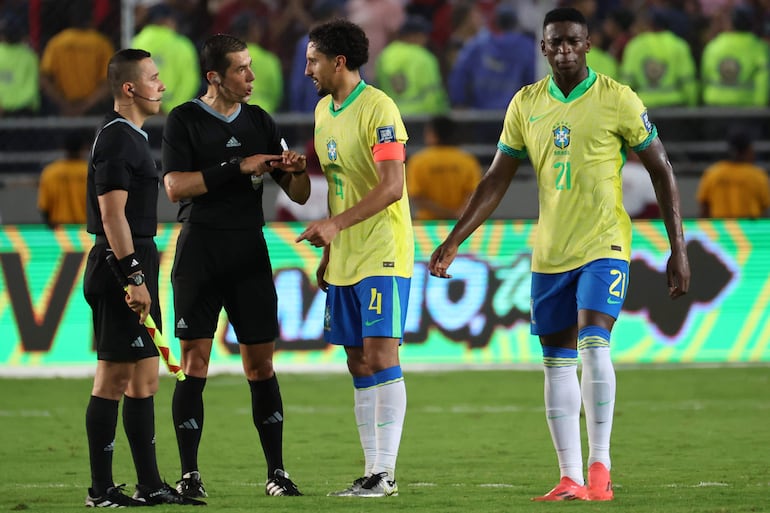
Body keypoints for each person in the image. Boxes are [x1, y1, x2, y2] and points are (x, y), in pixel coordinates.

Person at [428, 8, 690, 502]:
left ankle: (600, 470)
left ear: (587, 44)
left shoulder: (618, 99)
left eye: (573, 40)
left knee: (594, 343)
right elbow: (496, 179)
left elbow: (662, 170)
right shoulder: (525, 104)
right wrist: (455, 238)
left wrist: (678, 248)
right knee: (555, 361)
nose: (565, 49)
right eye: (556, 43)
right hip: (550, 252)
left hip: (604, 242)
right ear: (544, 49)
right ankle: (569, 476)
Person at [161, 33, 309, 499]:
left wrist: (295, 169)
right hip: (199, 251)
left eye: (250, 66)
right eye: (240, 69)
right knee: (194, 364)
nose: (251, 76)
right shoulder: (183, 120)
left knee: (260, 367)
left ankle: (278, 474)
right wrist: (237, 167)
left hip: (249, 252)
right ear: (214, 77)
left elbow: (299, 195)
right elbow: (175, 188)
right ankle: (190, 475)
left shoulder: (261, 121)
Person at [83, 48, 204, 507]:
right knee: (112, 378)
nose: (162, 86)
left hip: (137, 260)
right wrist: (133, 275)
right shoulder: (117, 138)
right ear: (129, 88)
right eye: (154, 78)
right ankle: (101, 490)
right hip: (120, 262)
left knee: (145, 380)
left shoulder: (131, 136)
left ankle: (150, 484)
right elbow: (111, 214)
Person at [296, 18, 413, 498]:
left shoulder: (379, 108)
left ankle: (385, 474)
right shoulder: (324, 111)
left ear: (337, 61)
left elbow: (392, 186)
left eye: (313, 60)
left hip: (382, 250)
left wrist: (334, 226)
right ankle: (370, 470)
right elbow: (339, 187)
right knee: (356, 360)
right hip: (344, 254)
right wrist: (330, 249)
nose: (306, 70)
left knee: (381, 354)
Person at [448, 3, 536, 110]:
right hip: (513, 118)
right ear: (515, 22)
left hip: (479, 117)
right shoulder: (527, 47)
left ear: (497, 22)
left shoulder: (477, 45)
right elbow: (534, 81)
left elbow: (459, 78)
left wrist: (459, 103)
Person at [39, 0, 114, 116]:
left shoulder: (57, 42)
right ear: (92, 16)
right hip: (93, 110)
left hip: (64, 109)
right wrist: (85, 106)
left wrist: (64, 104)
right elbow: (108, 82)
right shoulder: (101, 43)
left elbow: (44, 78)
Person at [406, 115, 482, 220]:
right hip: (461, 223)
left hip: (427, 226)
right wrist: (456, 214)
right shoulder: (468, 161)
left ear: (432, 134)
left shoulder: (418, 161)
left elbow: (417, 196)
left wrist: (444, 213)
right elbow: (474, 194)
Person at [619, 9, 698, 108]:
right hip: (673, 108)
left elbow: (627, 81)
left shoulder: (635, 45)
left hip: (643, 107)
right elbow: (687, 81)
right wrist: (692, 106)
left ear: (648, 24)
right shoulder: (678, 45)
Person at [131, 3, 201, 113]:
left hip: (142, 112)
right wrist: (171, 109)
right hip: (173, 115)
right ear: (167, 20)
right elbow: (190, 82)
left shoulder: (135, 42)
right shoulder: (182, 44)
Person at [374, 15, 449, 116]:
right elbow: (433, 95)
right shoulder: (424, 57)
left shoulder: (385, 55)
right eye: (423, 35)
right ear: (413, 36)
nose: (426, 39)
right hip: (421, 119)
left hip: (391, 117)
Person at [700, 5, 769, 108]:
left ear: (730, 23)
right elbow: (764, 79)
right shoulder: (759, 48)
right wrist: (760, 106)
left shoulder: (713, 46)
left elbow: (705, 76)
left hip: (715, 106)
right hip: (747, 109)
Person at [697, 131, 770, 219]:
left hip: (720, 228)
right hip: (749, 229)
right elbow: (764, 210)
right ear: (748, 150)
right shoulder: (757, 175)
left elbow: (704, 209)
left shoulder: (713, 172)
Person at [37, 132, 89, 228]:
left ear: (64, 148)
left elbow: (43, 208)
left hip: (59, 232)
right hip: (85, 231)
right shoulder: (90, 173)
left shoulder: (50, 172)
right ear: (84, 148)